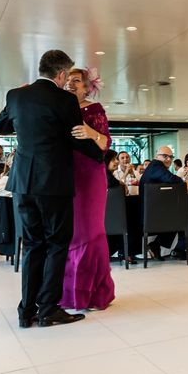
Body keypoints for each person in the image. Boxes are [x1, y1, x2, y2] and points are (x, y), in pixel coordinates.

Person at [0, 49, 102, 328]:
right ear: (62, 73)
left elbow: (0, 126)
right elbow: (76, 137)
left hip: (23, 183)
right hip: (53, 183)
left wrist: (14, 102)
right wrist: (100, 153)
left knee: (32, 245)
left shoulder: (16, 95)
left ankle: (25, 311)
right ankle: (49, 309)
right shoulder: (65, 99)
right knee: (56, 244)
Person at [60, 68, 115, 311]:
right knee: (69, 232)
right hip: (64, 177)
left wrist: (90, 131)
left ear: (86, 87)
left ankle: (94, 293)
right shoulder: (59, 108)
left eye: (76, 81)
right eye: (68, 80)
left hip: (90, 176)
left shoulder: (95, 110)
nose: (71, 84)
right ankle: (69, 293)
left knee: (89, 232)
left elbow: (105, 144)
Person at [139, 146, 188, 260]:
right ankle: (179, 249)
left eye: (171, 157)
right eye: (165, 156)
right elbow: (170, 178)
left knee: (180, 214)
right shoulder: (156, 165)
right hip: (154, 216)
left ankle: (157, 245)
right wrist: (184, 184)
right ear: (157, 157)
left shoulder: (155, 167)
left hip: (153, 213)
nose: (168, 159)